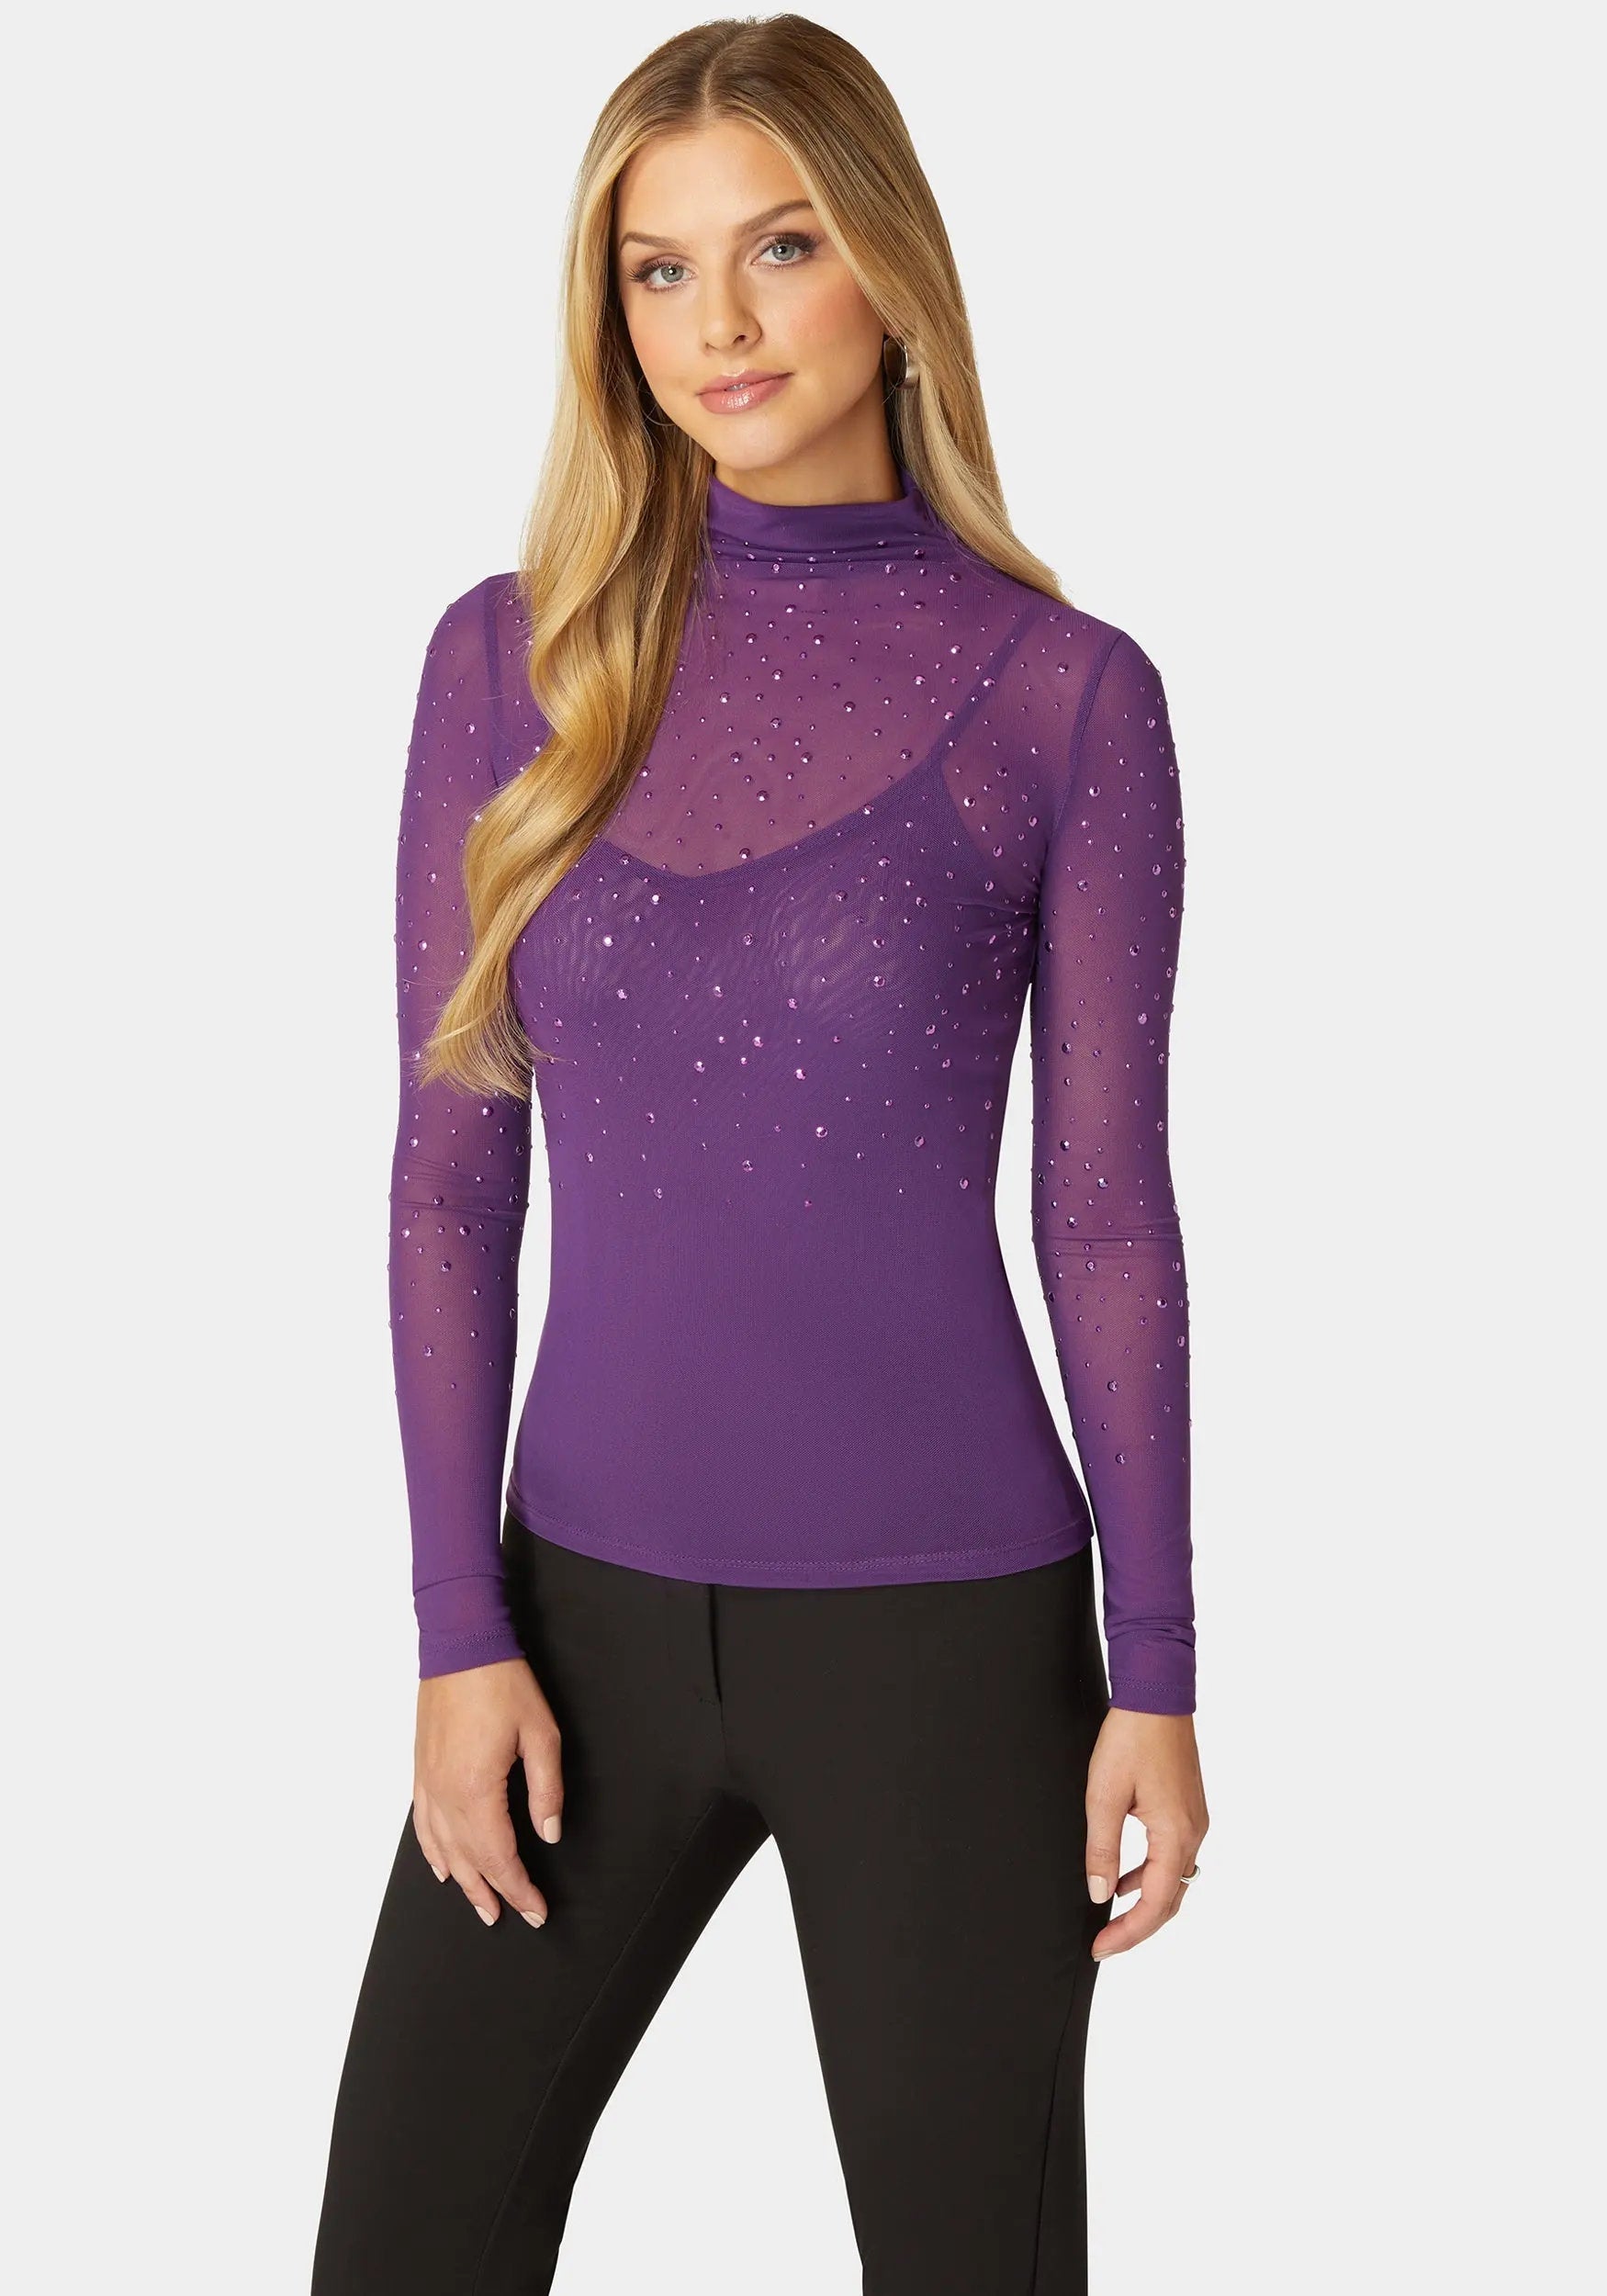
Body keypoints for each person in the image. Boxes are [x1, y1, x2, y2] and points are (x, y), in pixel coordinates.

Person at [311, 16, 1209, 2292]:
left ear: (888, 268)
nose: (716, 319)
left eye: (779, 247)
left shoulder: (1063, 694)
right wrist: (453, 1628)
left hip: (949, 1643)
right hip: (570, 1633)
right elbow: (446, 1178)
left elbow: (1103, 1211)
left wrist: (1155, 1664)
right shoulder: (505, 663)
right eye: (657, 267)